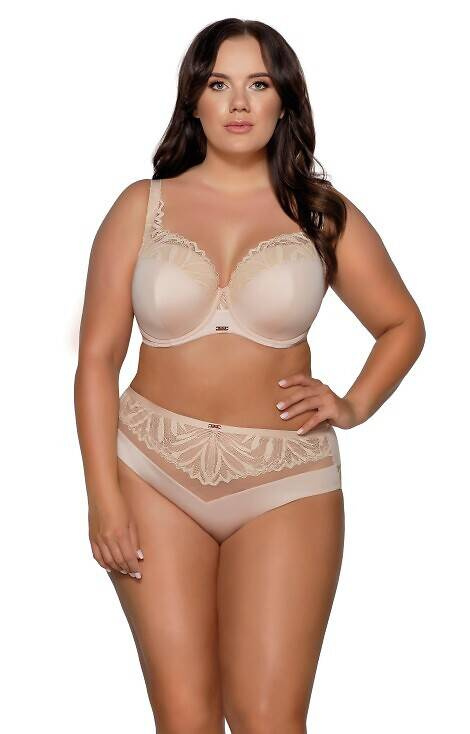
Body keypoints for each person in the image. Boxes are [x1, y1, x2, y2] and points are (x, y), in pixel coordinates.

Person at [74, 18, 426, 734]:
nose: (239, 102)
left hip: (285, 480)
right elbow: (96, 361)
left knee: (269, 720)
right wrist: (102, 498)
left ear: (283, 100)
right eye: (219, 83)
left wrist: (352, 404)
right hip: (153, 472)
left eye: (259, 84)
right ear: (193, 100)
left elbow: (403, 324)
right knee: (185, 720)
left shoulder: (321, 214)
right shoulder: (141, 206)